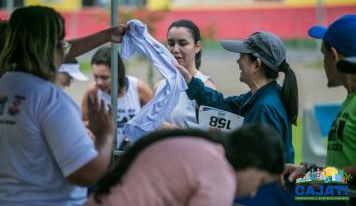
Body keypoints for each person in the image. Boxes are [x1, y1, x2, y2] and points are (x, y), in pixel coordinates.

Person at [0, 6, 124, 205]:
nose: (64, 49)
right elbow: (86, 173)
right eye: (61, 43)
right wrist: (105, 134)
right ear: (52, 48)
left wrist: (107, 35)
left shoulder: (6, 85)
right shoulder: (49, 99)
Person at [85, 124, 284, 206]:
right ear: (252, 163)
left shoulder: (203, 144)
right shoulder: (221, 176)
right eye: (260, 182)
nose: (253, 193)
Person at [175, 31, 298, 163]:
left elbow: (260, 162)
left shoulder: (264, 107)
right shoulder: (259, 96)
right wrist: (190, 80)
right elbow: (223, 104)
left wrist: (221, 141)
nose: (238, 61)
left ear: (256, 64)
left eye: (242, 56)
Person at [284, 14, 356, 205]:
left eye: (323, 54)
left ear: (334, 55)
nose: (324, 62)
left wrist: (324, 178)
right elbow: (344, 170)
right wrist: (311, 172)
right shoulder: (350, 100)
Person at [155, 19, 216, 130]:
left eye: (183, 43)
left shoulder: (206, 87)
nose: (175, 49)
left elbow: (214, 135)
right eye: (171, 43)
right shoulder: (159, 85)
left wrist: (174, 131)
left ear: (197, 46)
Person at [81, 46, 153, 131]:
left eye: (104, 77)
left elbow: (157, 119)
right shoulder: (92, 92)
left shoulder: (138, 88)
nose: (99, 82)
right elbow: (82, 126)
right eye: (95, 76)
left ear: (118, 73)